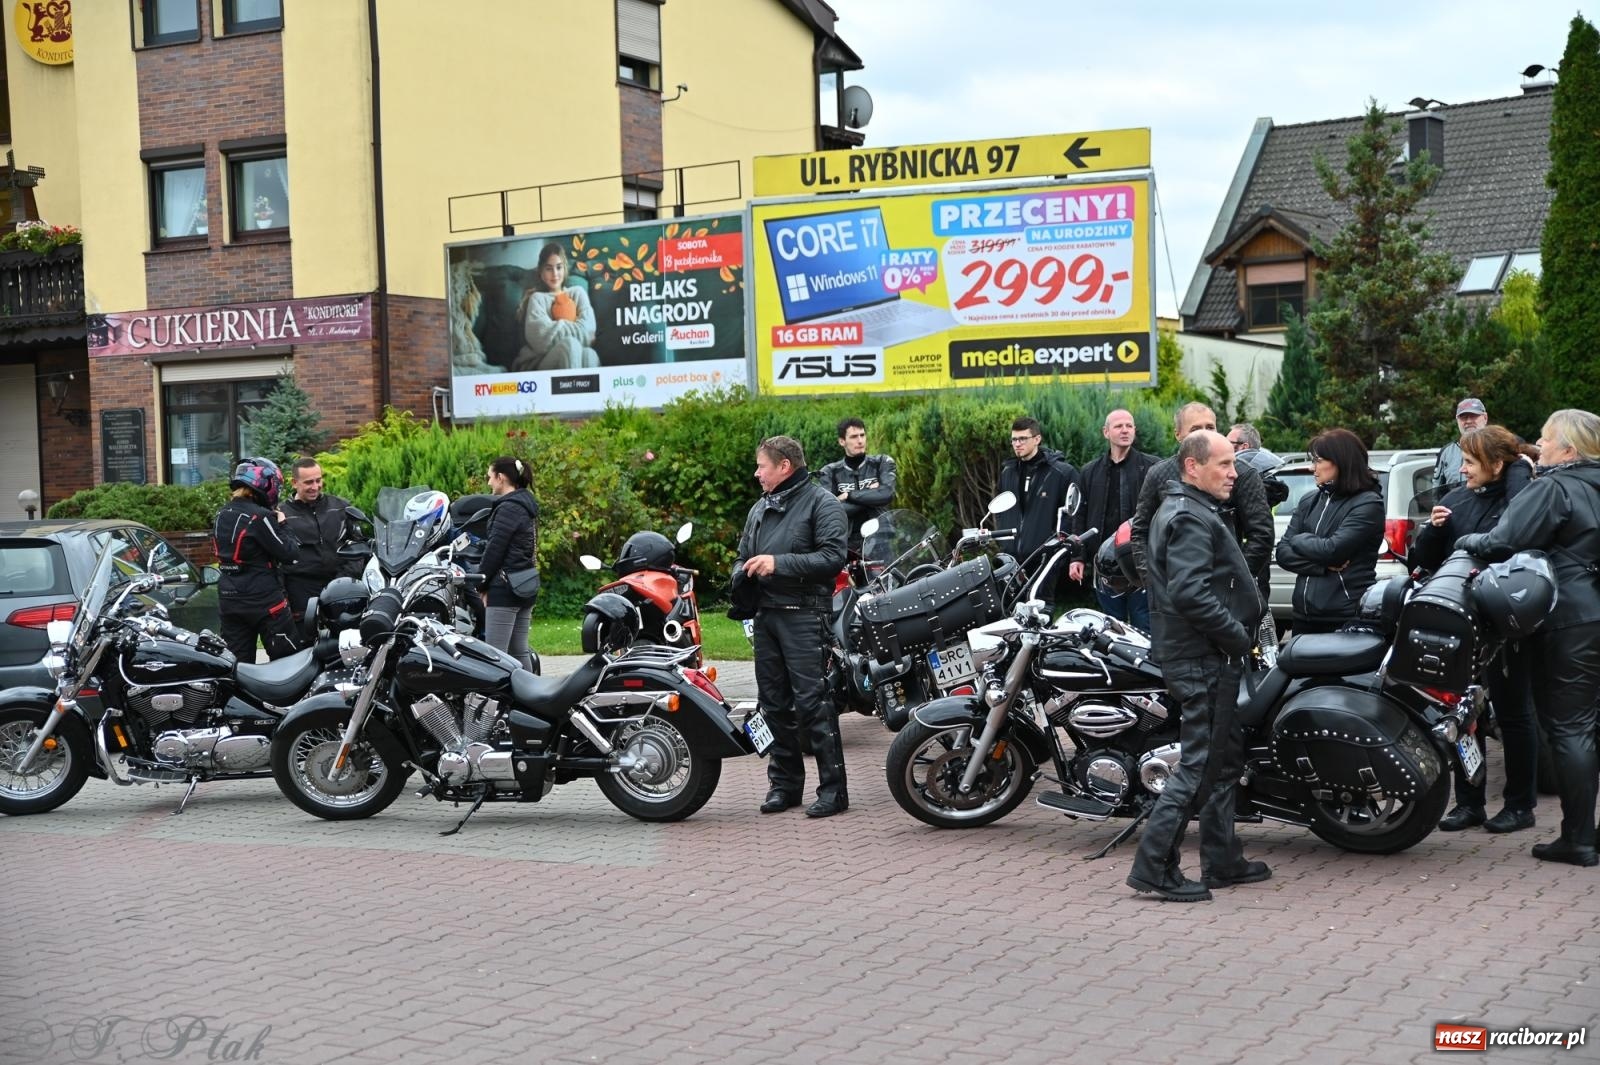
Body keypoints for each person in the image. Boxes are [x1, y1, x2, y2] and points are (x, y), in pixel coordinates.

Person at [1126, 430, 1269, 902]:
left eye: (1233, 464)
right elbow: (1190, 592)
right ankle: (1154, 867)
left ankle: (1222, 859)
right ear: (1193, 467)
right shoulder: (1188, 514)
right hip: (1202, 657)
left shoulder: (1193, 507)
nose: (1234, 473)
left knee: (1224, 759)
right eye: (1225, 464)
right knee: (1199, 764)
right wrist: (1235, 636)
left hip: (1206, 654)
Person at [1457, 409, 1600, 868]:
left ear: (1569, 450)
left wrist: (1467, 542)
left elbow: (1505, 539)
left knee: (1571, 727)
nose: (1537, 445)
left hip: (1570, 618)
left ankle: (1578, 838)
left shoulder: (1556, 485)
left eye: (1544, 437)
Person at [1411, 425, 1539, 834]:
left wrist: (1516, 466)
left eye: (1470, 462)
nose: (1462, 469)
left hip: (1505, 625)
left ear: (1497, 465)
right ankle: (1470, 802)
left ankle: (1520, 806)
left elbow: (1510, 541)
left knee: (1515, 716)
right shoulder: (1453, 500)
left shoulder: (1519, 500)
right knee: (1463, 716)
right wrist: (1431, 530)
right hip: (1460, 625)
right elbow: (1423, 558)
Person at [732, 435, 849, 818]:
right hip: (766, 616)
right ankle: (784, 785)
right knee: (773, 704)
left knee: (813, 703)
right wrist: (743, 575)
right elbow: (741, 556)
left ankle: (833, 791)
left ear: (784, 466)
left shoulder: (823, 503)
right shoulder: (759, 508)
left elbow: (832, 558)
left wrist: (778, 563)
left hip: (804, 614)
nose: (756, 473)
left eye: (761, 466)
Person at [1130, 403, 1274, 604]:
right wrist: (1154, 583)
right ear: (1178, 435)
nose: (1205, 434)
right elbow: (1140, 532)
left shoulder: (1243, 474)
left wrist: (1235, 580)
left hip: (1232, 596)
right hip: (1173, 595)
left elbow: (1262, 534)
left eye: (1210, 427)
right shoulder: (1158, 474)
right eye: (1196, 429)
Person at [1274, 428, 1384, 635]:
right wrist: (1322, 567)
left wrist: (1299, 539)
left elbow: (1333, 550)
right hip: (1302, 614)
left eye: (1318, 461)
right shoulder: (1309, 500)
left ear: (1340, 462)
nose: (1311, 467)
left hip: (1343, 615)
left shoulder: (1368, 503)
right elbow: (1282, 553)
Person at [1069, 409, 1158, 629]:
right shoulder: (1089, 472)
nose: (1125, 430)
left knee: (1143, 624)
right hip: (1105, 565)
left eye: (1129, 425)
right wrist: (1077, 557)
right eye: (1119, 426)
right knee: (1110, 626)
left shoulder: (1153, 467)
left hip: (1142, 561)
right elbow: (1079, 515)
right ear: (1106, 432)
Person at [211, 457, 300, 662]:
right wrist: (283, 523)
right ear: (265, 484)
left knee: (237, 666)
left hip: (229, 597)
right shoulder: (260, 517)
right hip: (263, 600)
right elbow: (290, 554)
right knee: (288, 662)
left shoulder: (222, 513)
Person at [996, 417, 1080, 597]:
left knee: (1040, 612)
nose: (1017, 444)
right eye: (1014, 439)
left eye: (1023, 439)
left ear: (1037, 439)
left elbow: (1073, 515)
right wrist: (1004, 545)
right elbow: (1001, 511)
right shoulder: (1007, 472)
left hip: (1044, 559)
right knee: (1010, 613)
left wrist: (1057, 548)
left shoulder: (1062, 473)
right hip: (1010, 559)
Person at [278, 458, 363, 622]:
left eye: (318, 480)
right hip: (300, 591)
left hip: (341, 586)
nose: (315, 487)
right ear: (294, 483)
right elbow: (277, 558)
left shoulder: (340, 507)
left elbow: (358, 545)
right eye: (308, 482)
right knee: (307, 641)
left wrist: (346, 576)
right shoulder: (282, 514)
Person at [477, 455, 540, 672]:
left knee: (496, 654)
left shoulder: (508, 508)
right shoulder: (525, 504)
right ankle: (529, 698)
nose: (488, 483)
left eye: (490, 477)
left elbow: (495, 549)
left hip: (505, 588)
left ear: (501, 477)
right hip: (525, 582)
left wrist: (481, 584)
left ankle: (500, 703)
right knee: (519, 649)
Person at [511, 242, 599, 372]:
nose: (555, 274)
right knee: (570, 345)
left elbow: (589, 333)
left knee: (590, 355)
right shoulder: (537, 298)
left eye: (559, 267)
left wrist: (555, 327)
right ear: (541, 272)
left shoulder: (577, 293)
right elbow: (541, 341)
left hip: (574, 356)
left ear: (565, 269)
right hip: (540, 362)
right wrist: (575, 328)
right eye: (549, 268)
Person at [818, 417, 897, 556]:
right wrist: (872, 495)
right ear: (842, 441)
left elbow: (887, 494)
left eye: (862, 435)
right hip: (845, 542)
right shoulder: (830, 471)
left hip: (881, 539)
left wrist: (849, 495)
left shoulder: (882, 462)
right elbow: (830, 510)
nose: (860, 441)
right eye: (854, 437)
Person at [1433, 398, 1489, 491]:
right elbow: (1437, 490)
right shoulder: (1446, 452)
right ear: (1457, 420)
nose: (1468, 421)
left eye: (1473, 416)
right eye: (1463, 417)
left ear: (1485, 418)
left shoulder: (1497, 447)